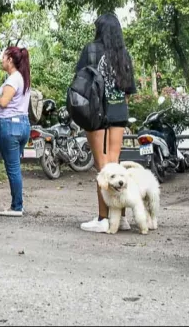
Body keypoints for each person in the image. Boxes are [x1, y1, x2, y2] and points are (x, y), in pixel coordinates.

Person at [76, 14, 137, 234]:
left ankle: (104, 218)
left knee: (103, 167)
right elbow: (128, 89)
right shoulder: (123, 54)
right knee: (115, 166)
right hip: (119, 111)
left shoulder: (91, 50)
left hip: (96, 112)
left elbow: (80, 80)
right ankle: (120, 218)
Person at [0, 46, 32, 218]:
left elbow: (4, 102)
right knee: (15, 168)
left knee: (13, 169)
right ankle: (17, 204)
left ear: (10, 60)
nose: (1, 59)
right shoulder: (23, 78)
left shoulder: (13, 79)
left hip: (10, 126)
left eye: (3, 56)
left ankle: (17, 206)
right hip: (23, 125)